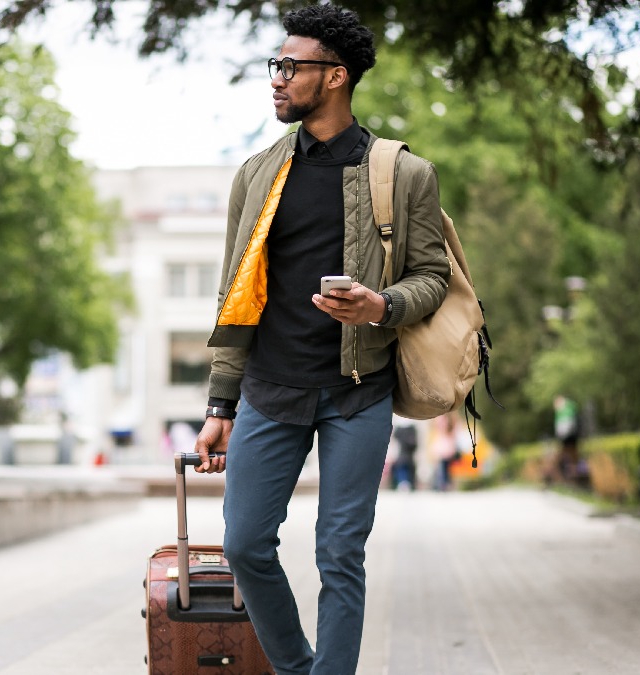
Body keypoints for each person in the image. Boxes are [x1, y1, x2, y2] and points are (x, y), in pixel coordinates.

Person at [192, 5, 450, 673]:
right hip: (268, 389)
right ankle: (300, 667)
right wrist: (220, 406)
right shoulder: (257, 173)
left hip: (356, 393)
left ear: (335, 77)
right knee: (245, 543)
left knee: (340, 551)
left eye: (291, 67)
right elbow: (235, 293)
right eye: (274, 66)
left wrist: (380, 304)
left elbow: (434, 279)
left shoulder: (404, 173)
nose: (277, 79)